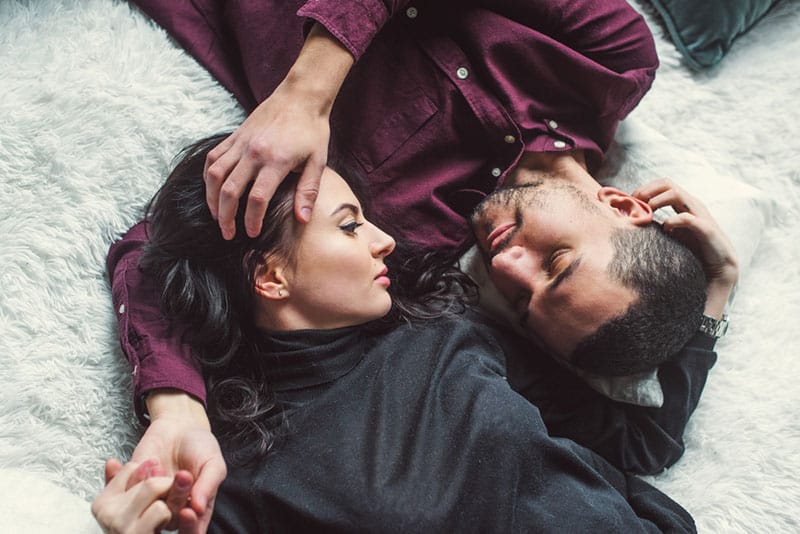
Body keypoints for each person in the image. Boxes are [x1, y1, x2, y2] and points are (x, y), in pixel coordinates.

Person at [106, 0, 738, 529]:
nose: (509, 269)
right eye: (558, 263)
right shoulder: (609, 61)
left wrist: (177, 410)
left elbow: (163, 251)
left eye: (522, 304)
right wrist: (306, 96)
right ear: (623, 203)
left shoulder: (399, 248)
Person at [94, 136, 699, 532]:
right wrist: (175, 415)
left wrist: (714, 289)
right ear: (272, 276)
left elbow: (642, 444)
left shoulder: (445, 323)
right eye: (351, 225)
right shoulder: (242, 470)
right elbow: (146, 249)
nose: (384, 237)